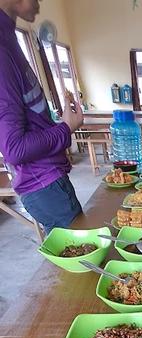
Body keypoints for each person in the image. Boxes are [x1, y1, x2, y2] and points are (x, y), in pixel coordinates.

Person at [0, 0, 84, 234]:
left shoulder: (8, 38)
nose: (39, 4)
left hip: (50, 181)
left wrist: (60, 125)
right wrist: (65, 128)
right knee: (77, 264)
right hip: (43, 185)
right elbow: (14, 148)